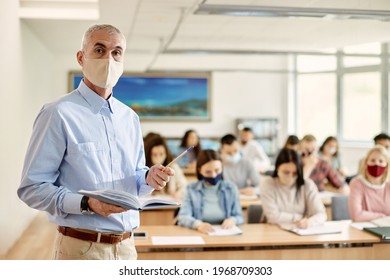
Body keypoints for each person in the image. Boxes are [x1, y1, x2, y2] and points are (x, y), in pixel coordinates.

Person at [17, 24, 174, 260]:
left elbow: (135, 176)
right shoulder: (58, 113)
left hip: (126, 247)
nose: (109, 59)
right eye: (99, 50)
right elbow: (32, 188)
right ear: (81, 57)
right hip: (81, 248)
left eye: (116, 52)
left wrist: (149, 178)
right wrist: (86, 203)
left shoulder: (129, 118)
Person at [177, 149, 244, 233]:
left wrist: (233, 220)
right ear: (200, 171)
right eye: (208, 172)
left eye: (217, 170)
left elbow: (239, 216)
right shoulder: (191, 189)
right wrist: (198, 225)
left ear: (222, 168)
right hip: (199, 234)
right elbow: (183, 217)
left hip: (225, 235)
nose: (213, 175)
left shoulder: (231, 188)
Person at [260, 148, 327, 228]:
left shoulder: (307, 185)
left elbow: (321, 214)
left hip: (300, 231)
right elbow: (273, 216)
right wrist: (301, 218)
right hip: (272, 231)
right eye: (286, 172)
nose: (290, 176)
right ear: (277, 168)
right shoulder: (268, 183)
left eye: (294, 173)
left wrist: (310, 222)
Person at [348, 145, 390, 222]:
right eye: (373, 160)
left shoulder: (388, 185)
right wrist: (383, 217)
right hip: (362, 230)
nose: (376, 164)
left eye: (381, 161)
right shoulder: (357, 183)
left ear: (387, 166)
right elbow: (357, 215)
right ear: (365, 164)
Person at [144, 134, 187, 199]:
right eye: (154, 155)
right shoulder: (144, 170)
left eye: (161, 154)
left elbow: (185, 186)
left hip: (170, 205)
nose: (158, 158)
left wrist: (179, 193)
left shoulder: (173, 167)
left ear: (166, 153)